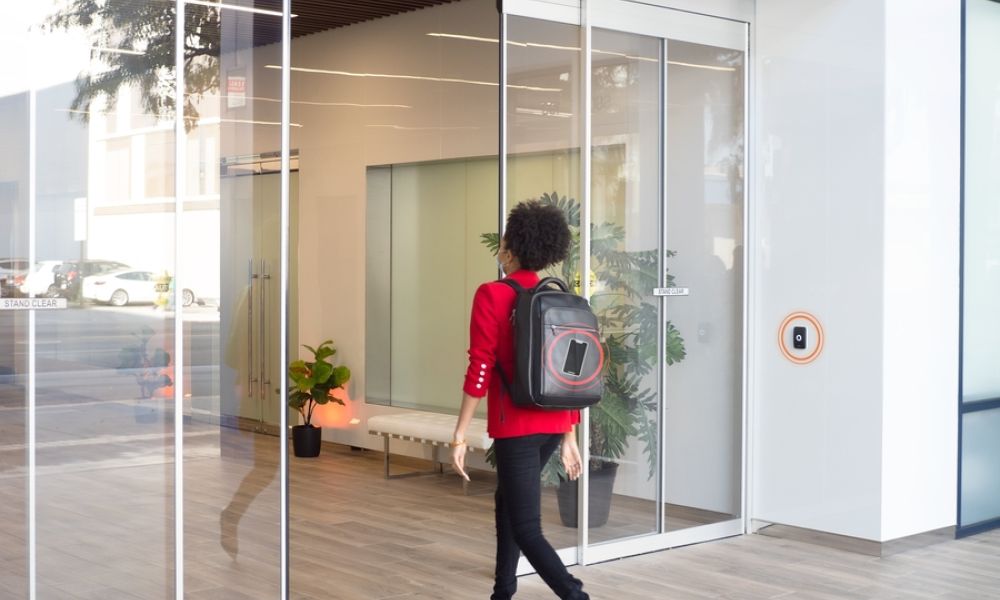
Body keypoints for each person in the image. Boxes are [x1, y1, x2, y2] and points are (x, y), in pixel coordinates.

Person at [452, 200, 589, 600]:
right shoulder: (561, 298)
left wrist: (459, 433)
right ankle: (502, 592)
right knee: (506, 503)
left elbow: (480, 367)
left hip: (516, 429)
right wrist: (568, 436)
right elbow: (569, 374)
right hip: (551, 425)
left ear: (509, 250)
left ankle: (576, 596)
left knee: (527, 527)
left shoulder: (492, 294)